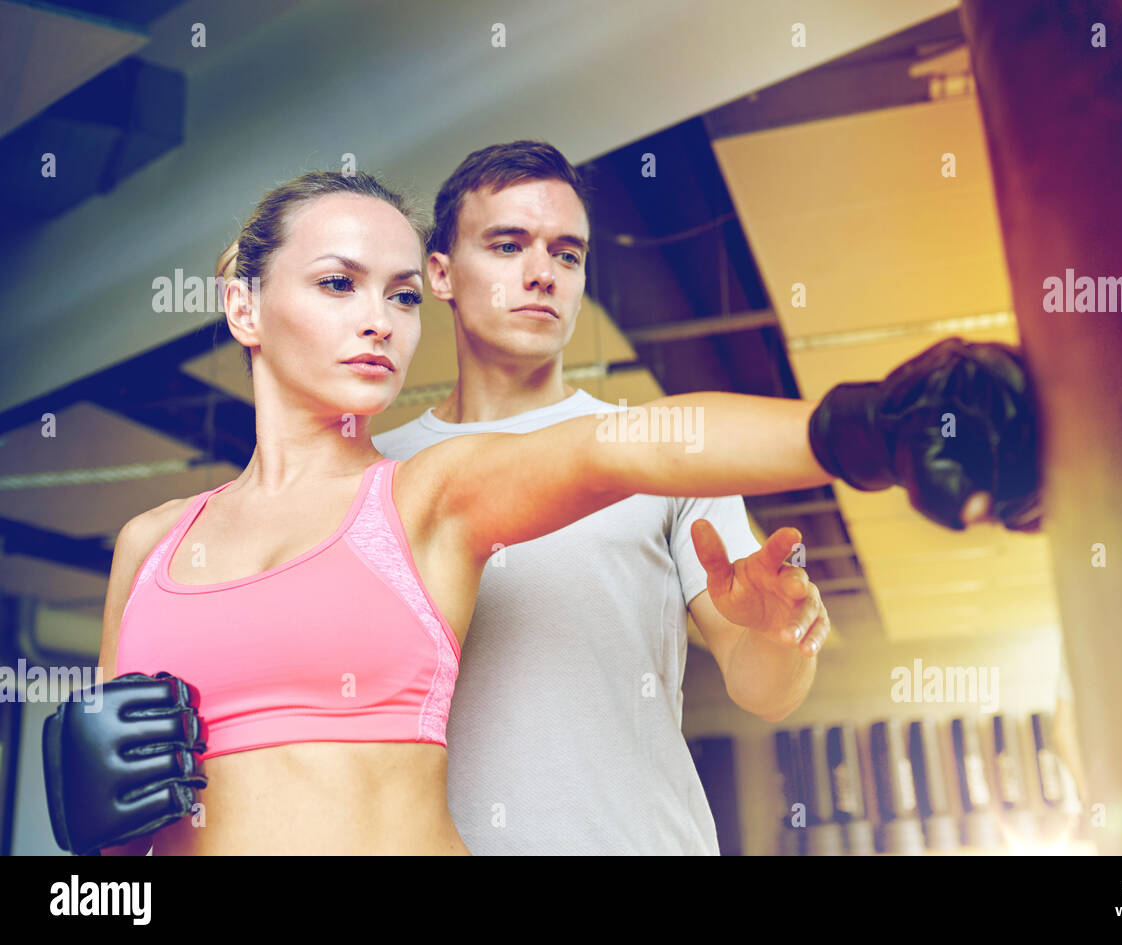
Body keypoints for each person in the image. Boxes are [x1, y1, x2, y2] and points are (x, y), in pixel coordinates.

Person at [42, 169, 1040, 857]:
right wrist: (85, 853)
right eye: (338, 284)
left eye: (400, 298)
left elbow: (626, 444)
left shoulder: (424, 496)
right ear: (245, 303)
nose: (378, 321)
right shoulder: (151, 544)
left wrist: (866, 428)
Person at [371, 141, 827, 854]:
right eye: (507, 244)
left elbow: (765, 689)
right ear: (440, 273)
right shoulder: (375, 472)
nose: (540, 274)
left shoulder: (663, 453)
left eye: (566, 254)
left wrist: (776, 636)